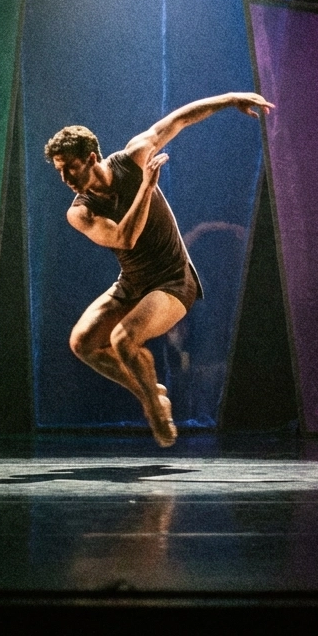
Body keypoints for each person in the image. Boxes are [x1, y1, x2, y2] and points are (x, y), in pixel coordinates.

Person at [44, 91, 273, 447]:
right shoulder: (80, 212)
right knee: (83, 343)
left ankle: (154, 406)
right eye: (59, 171)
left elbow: (179, 119)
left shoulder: (134, 156)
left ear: (91, 158)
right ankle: (150, 391)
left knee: (122, 340)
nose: (65, 178)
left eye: (70, 168)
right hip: (133, 282)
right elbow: (125, 239)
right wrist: (148, 189)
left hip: (173, 282)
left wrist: (230, 99)